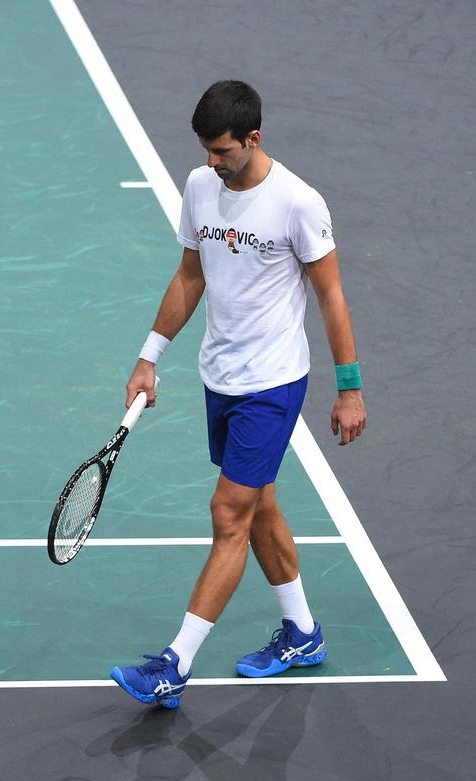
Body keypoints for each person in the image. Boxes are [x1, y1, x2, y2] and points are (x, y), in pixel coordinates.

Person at [109, 80, 367, 709]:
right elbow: (190, 274)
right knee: (260, 506)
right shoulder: (201, 188)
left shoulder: (298, 203)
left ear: (254, 138)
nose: (210, 162)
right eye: (204, 149)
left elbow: (331, 296)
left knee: (229, 513)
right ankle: (303, 633)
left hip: (273, 384)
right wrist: (149, 357)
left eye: (222, 151)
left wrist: (349, 388)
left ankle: (174, 664)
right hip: (218, 376)